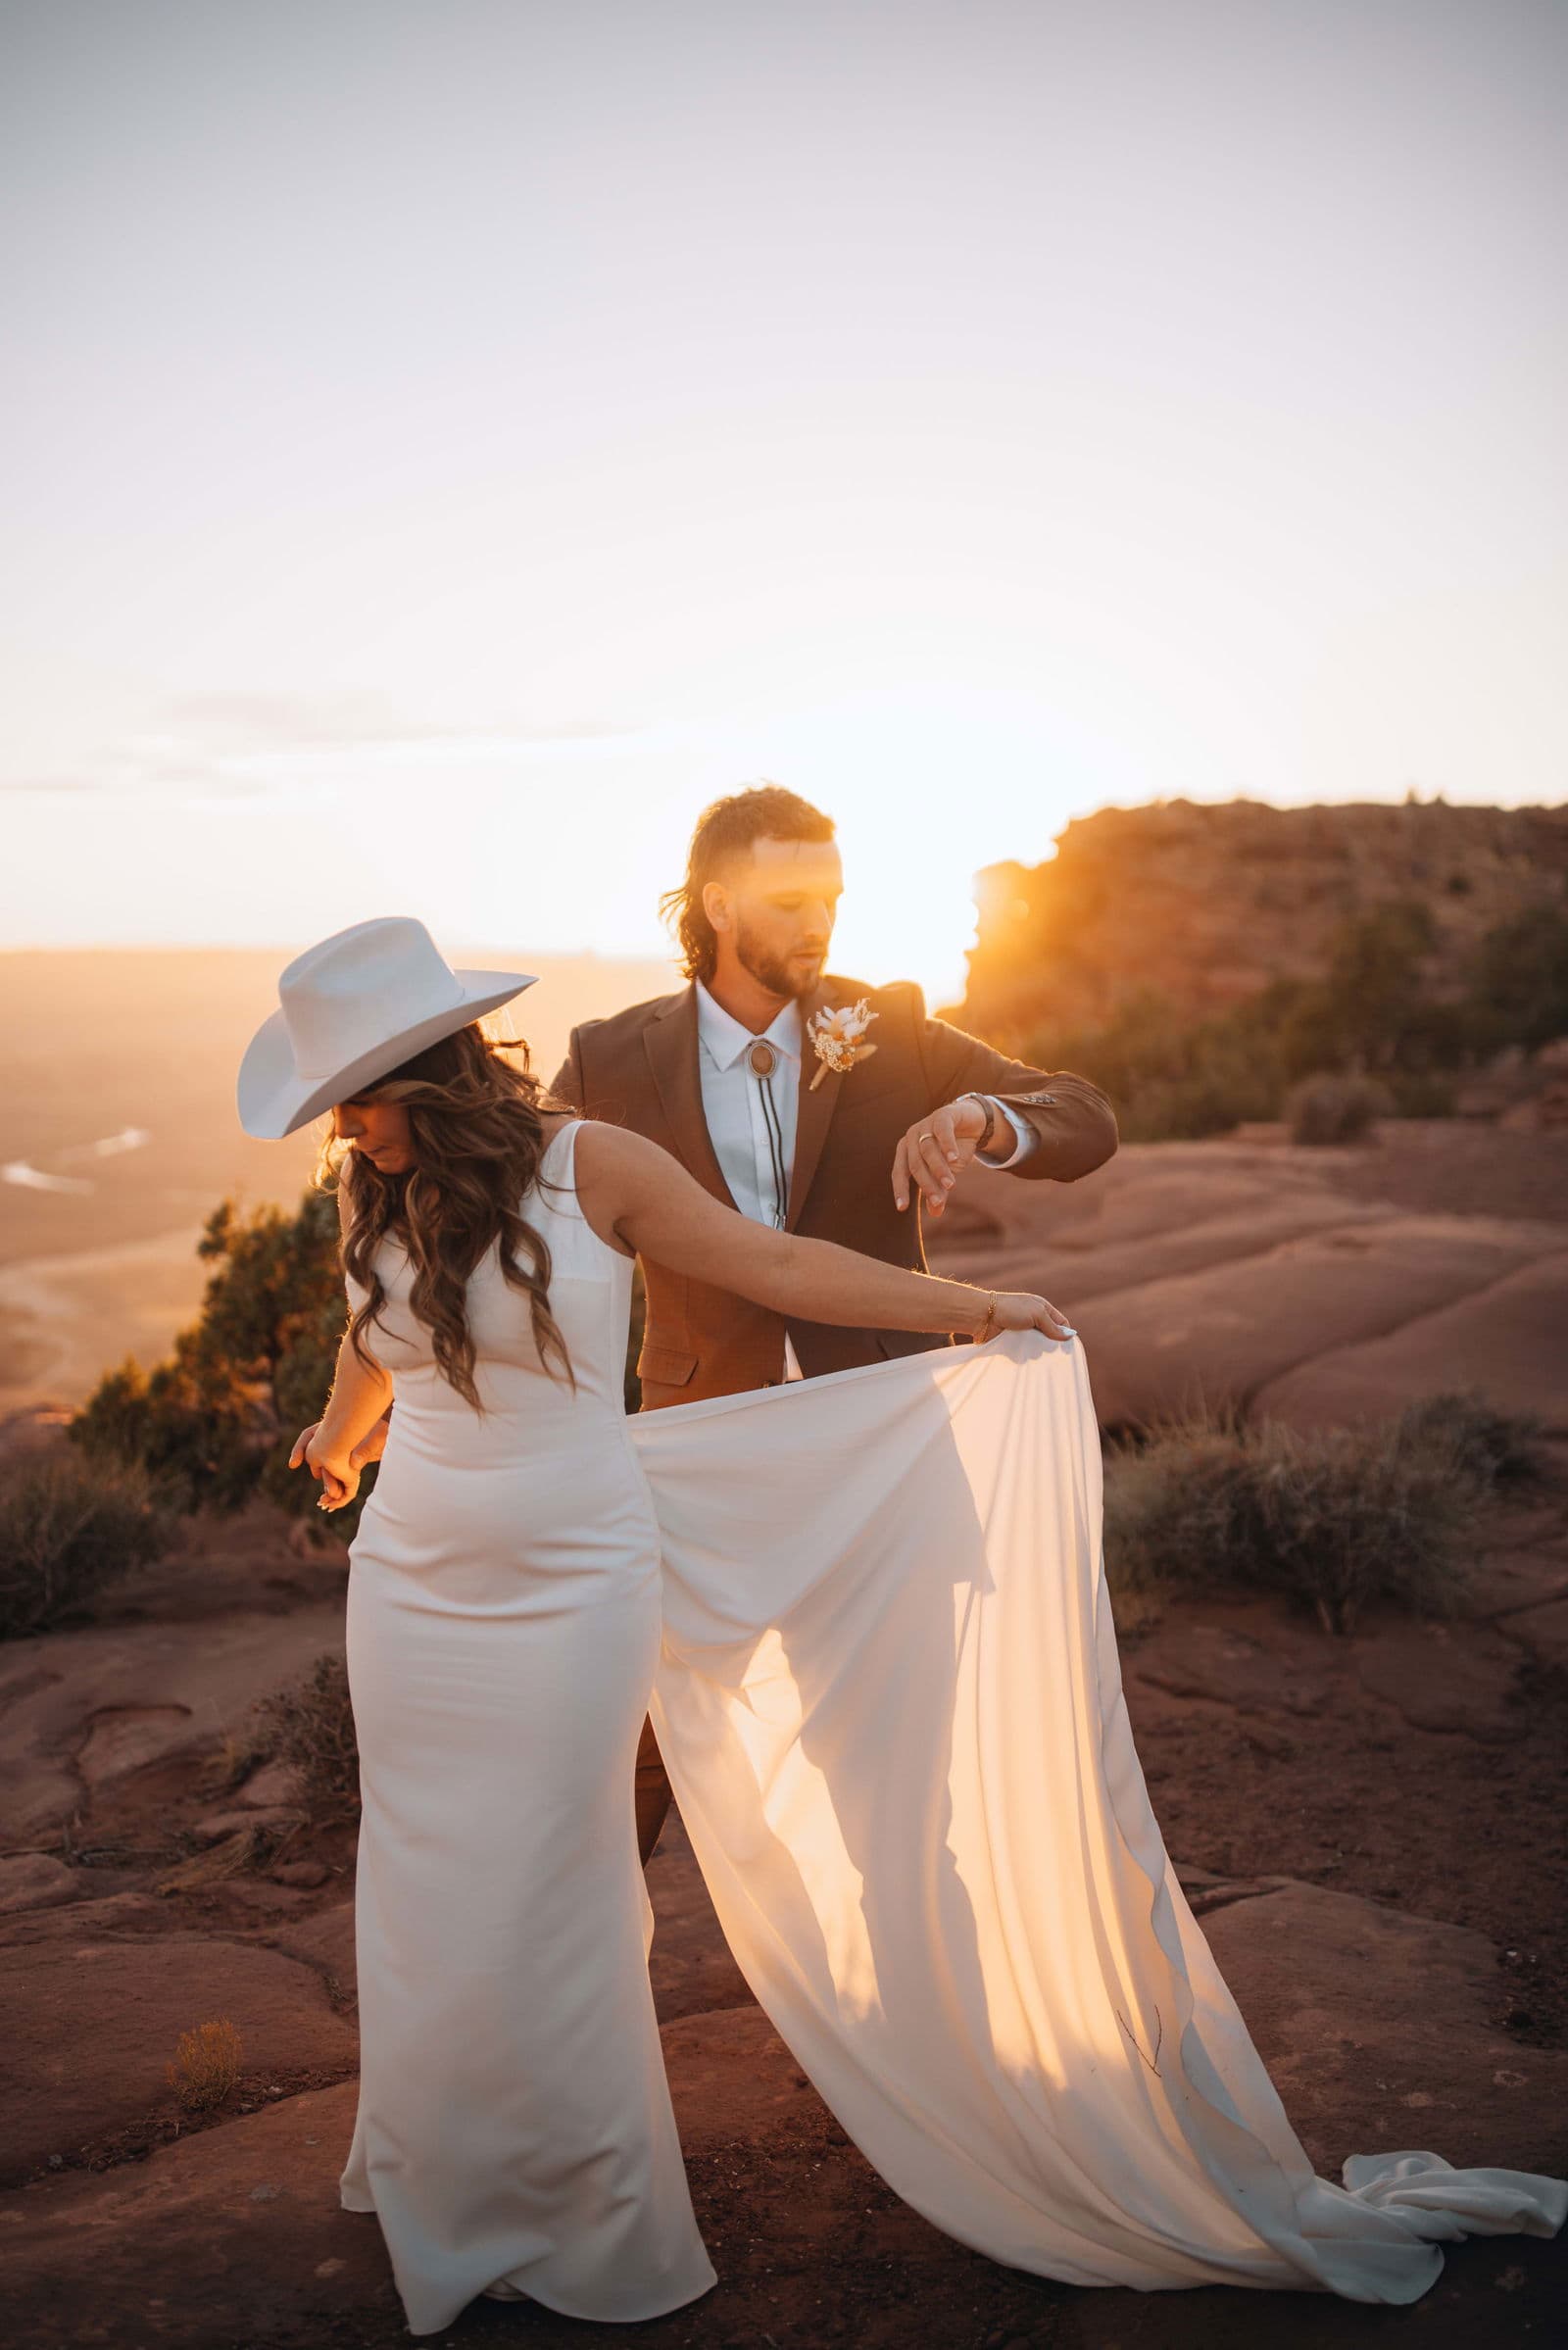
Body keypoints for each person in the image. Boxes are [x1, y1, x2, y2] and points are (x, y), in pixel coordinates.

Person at [240, 915, 1565, 2338]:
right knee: (430, 1873)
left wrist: (973, 1303)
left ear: (439, 1068)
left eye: (366, 1098)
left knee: (555, 1884)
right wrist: (333, 1439)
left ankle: (570, 2207)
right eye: (337, 1109)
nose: (351, 1128)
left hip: (572, 1582)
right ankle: (436, 2152)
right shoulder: (371, 1190)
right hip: (412, 1581)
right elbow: (370, 1345)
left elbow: (777, 1265)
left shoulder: (590, 1163)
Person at [299, 783, 1120, 1868]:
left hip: (876, 1440)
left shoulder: (896, 1030)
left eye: (831, 895)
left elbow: (1086, 1117)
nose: (820, 921)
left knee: (893, 1756)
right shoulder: (607, 1058)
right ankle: (577, 1980)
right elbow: (474, 1228)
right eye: (790, 897)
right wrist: (360, 1409)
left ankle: (896, 2005)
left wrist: (982, 1115)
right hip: (690, 1448)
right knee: (634, 1746)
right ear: (719, 903)